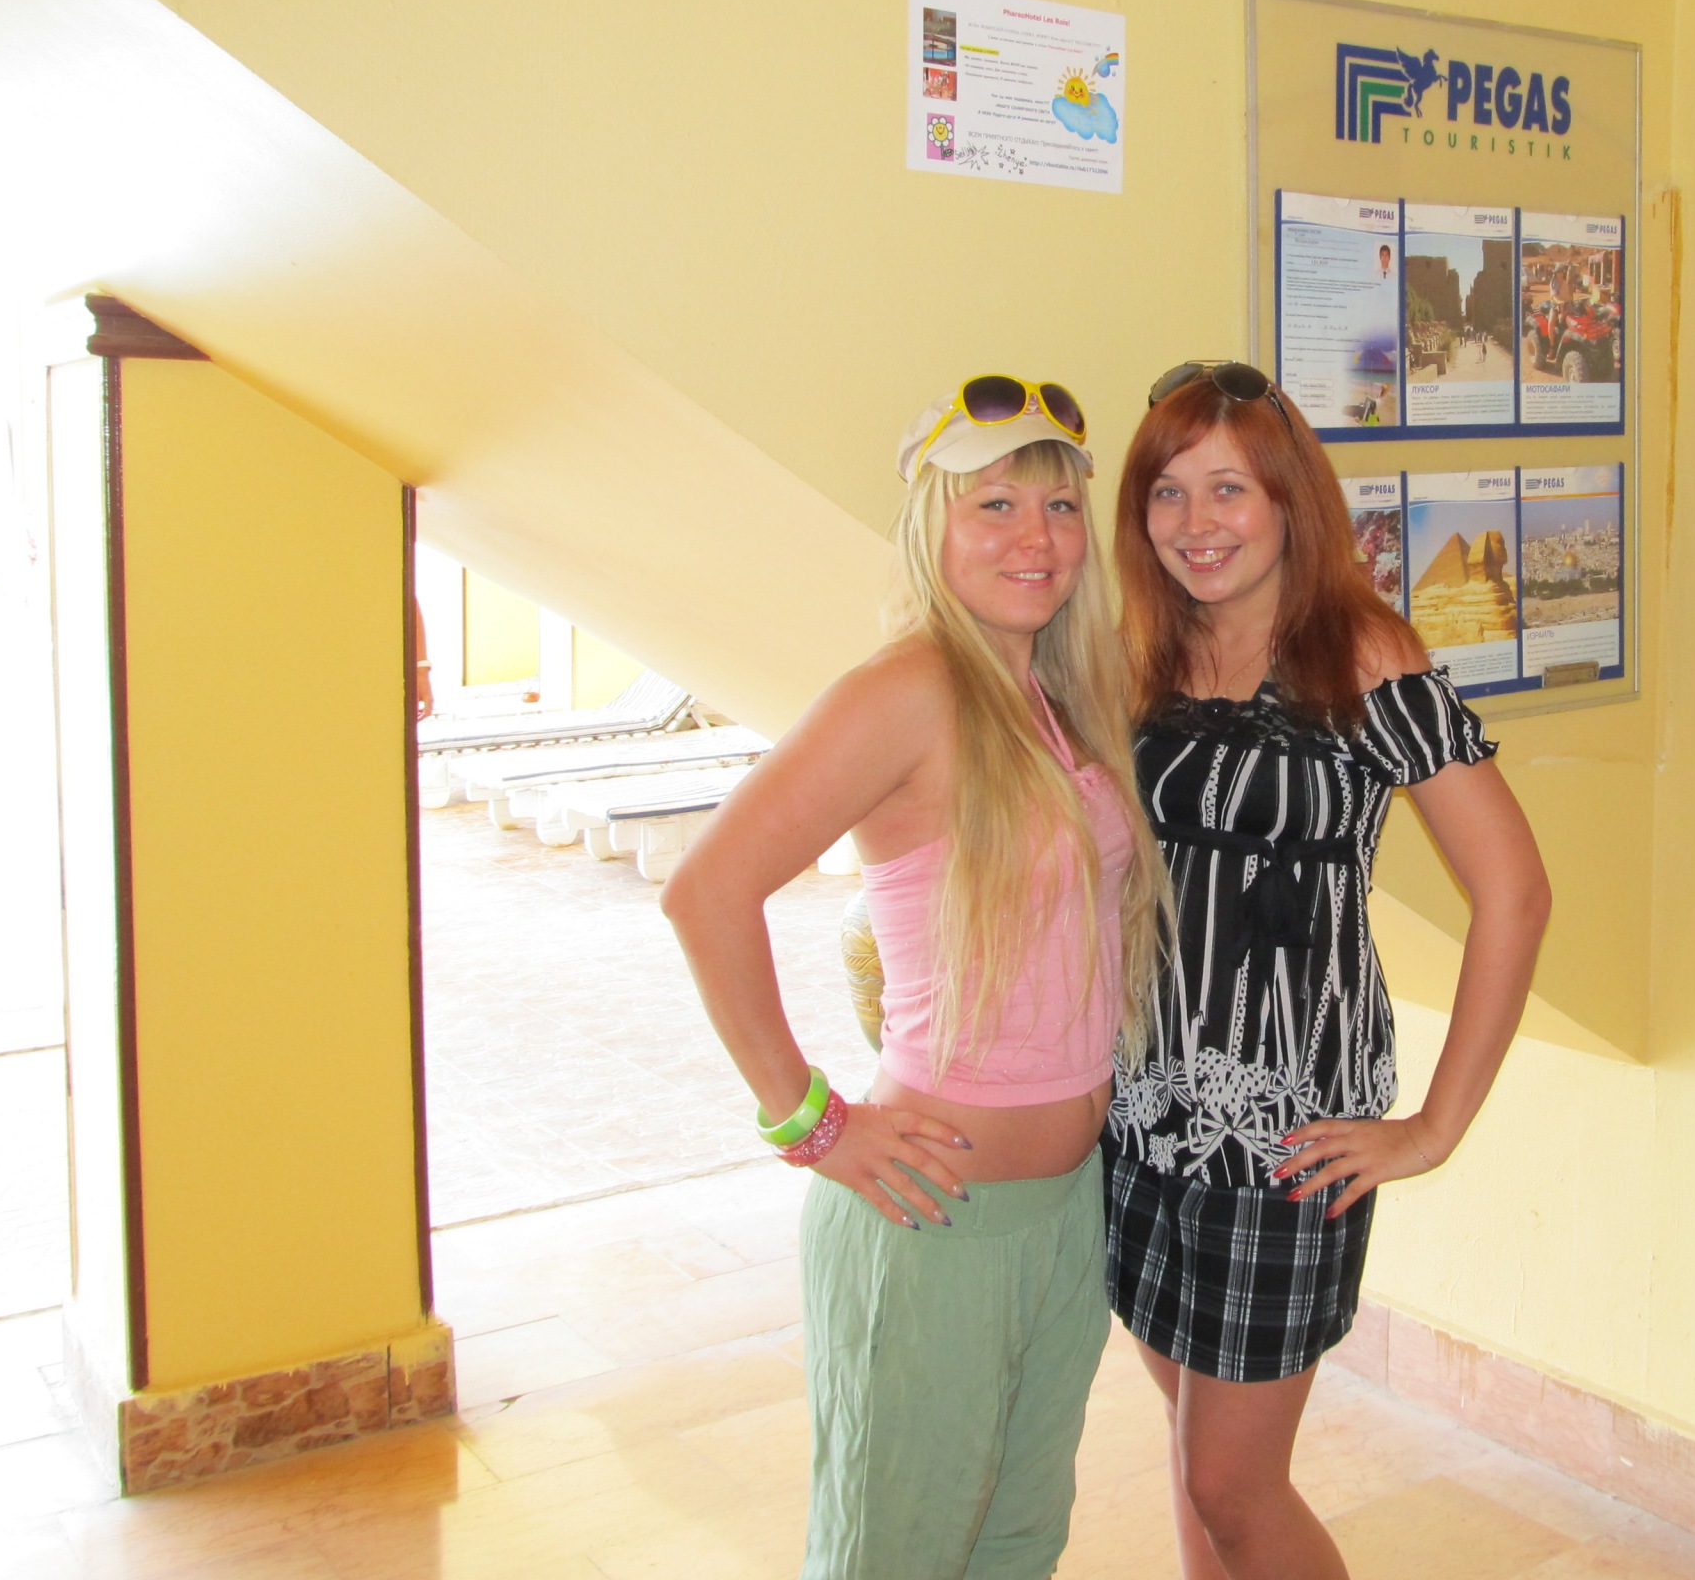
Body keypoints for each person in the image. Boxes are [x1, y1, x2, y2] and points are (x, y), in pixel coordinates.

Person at [661, 375, 1167, 1580]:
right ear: (932, 526)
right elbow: (705, 893)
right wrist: (809, 1121)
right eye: (995, 504)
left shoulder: (1055, 696)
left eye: (1057, 506)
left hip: (1061, 1214)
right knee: (894, 1555)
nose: (1035, 538)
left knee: (1016, 1544)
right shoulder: (905, 691)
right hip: (933, 1218)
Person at [1103, 360, 1552, 1580]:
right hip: (1139, 1114)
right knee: (1191, 1452)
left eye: (1227, 489)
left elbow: (1514, 891)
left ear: (1289, 500)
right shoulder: (1145, 650)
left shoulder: (1358, 653)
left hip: (1287, 1133)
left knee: (1230, 1485)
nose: (1195, 522)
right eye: (1166, 492)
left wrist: (1433, 1129)